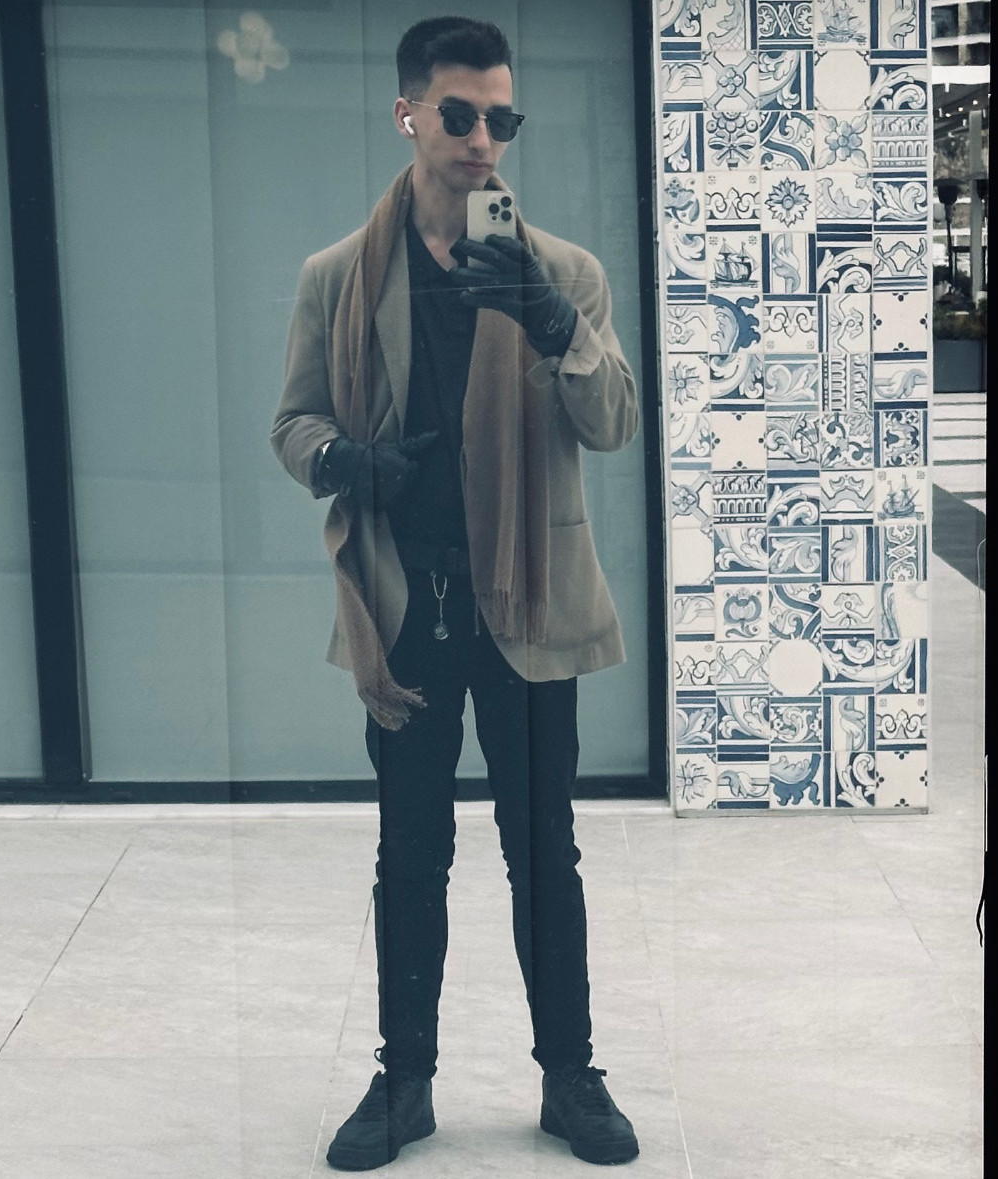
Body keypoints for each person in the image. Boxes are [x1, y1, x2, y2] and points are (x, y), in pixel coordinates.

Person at [271, 15, 640, 1171]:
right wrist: (348, 463)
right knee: (411, 854)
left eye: (502, 116)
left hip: (530, 609)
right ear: (408, 114)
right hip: (406, 611)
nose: (485, 138)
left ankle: (571, 1078)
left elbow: (614, 423)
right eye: (461, 113)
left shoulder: (562, 272)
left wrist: (552, 323)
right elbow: (293, 423)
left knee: (545, 852)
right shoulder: (339, 277)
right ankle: (405, 1083)